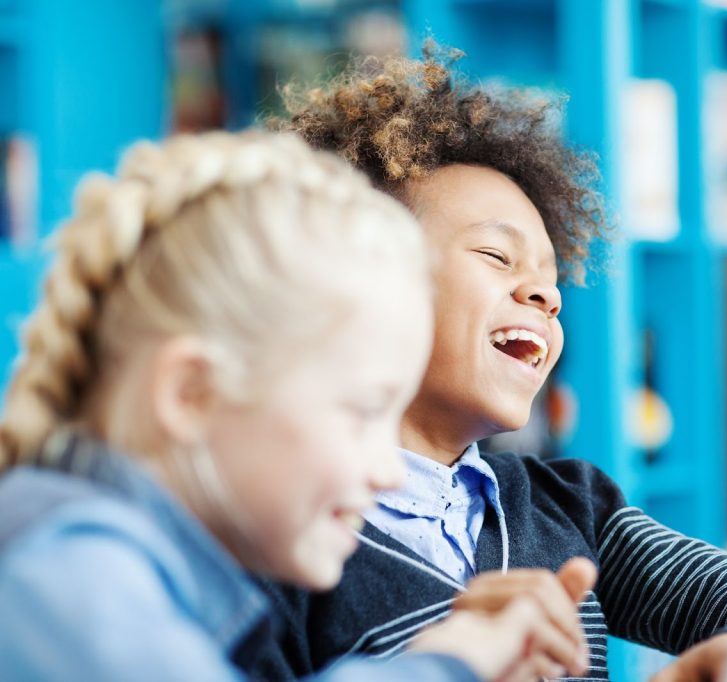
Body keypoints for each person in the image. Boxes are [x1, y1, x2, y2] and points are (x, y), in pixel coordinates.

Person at [0, 130, 593, 681]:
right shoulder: (70, 578)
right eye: (362, 411)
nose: (388, 470)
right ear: (191, 394)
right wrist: (452, 662)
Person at [262, 47, 727, 681]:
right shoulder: (285, 536)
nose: (545, 295)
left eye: (551, 281)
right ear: (364, 277)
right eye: (498, 257)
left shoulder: (574, 507)